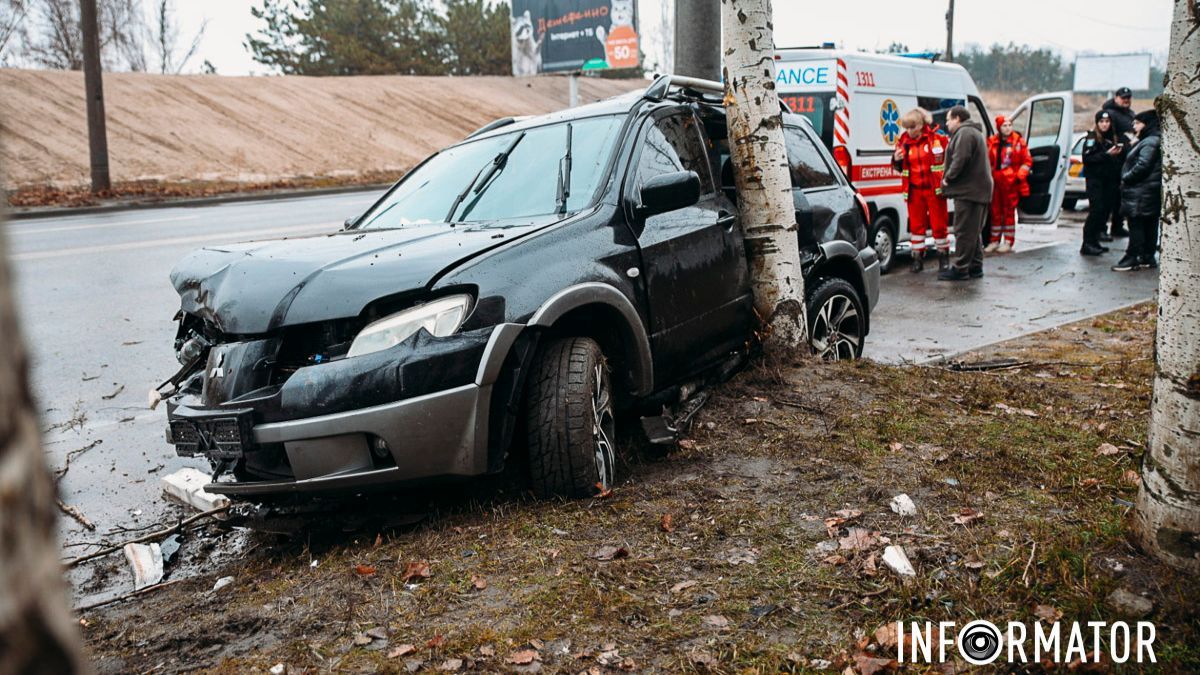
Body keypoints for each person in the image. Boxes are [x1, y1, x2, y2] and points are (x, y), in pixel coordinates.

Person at [937, 106, 993, 281]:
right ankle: (975, 267)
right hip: (977, 190)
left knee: (963, 231)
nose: (946, 123)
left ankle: (960, 268)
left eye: (948, 119)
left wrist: (947, 178)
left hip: (969, 192)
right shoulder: (972, 132)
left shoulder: (965, 133)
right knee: (973, 231)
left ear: (957, 119)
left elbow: (960, 159)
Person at [891, 108, 950, 273]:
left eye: (912, 127)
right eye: (907, 127)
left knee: (939, 226)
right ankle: (917, 259)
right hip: (914, 190)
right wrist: (895, 160)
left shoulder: (937, 138)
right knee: (917, 228)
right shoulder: (903, 141)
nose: (909, 131)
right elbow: (898, 166)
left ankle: (943, 258)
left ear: (922, 124)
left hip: (934, 189)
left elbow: (951, 157)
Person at [1112, 110, 1162, 272]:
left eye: (1137, 123)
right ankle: (1147, 256)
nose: (1134, 126)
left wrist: (1126, 177)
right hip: (1148, 191)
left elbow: (1143, 165)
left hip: (1140, 192)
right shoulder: (1152, 140)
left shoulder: (1150, 142)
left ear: (1146, 124)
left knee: (1137, 224)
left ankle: (1132, 256)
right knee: (1148, 224)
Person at [1080, 110, 1125, 255]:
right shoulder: (1092, 138)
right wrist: (1106, 155)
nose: (1105, 125)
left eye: (1107, 122)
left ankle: (1095, 241)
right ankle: (1087, 243)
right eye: (1102, 122)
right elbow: (1088, 159)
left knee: (1104, 211)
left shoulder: (1112, 137)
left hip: (1109, 181)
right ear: (1097, 123)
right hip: (1095, 181)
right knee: (1096, 211)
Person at [985, 115, 1032, 253]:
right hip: (995, 181)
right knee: (995, 212)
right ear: (999, 127)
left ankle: (1008, 241)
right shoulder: (992, 141)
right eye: (1004, 125)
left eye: (1009, 125)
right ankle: (994, 241)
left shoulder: (1019, 142)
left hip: (1010, 181)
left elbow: (1027, 161)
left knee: (1008, 212)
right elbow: (988, 161)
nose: (1007, 128)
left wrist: (1019, 176)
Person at [1102, 86, 1136, 239]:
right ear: (1116, 98)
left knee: (1120, 199)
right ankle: (1102, 229)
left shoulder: (1130, 114)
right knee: (1107, 199)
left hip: (1126, 161)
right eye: (1123, 98)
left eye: (1128, 97)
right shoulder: (1109, 114)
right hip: (1113, 161)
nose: (1126, 100)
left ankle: (1118, 226)